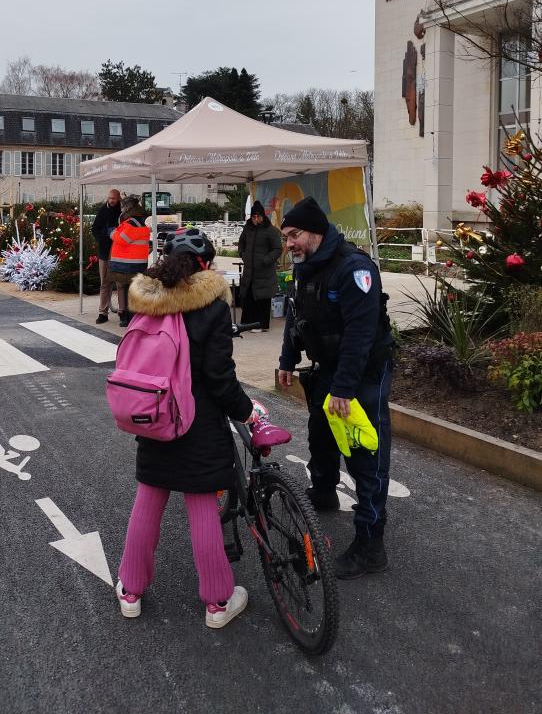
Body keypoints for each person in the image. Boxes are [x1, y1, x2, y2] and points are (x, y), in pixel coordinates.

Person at [116, 228, 254, 628]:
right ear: (204, 265)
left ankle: (131, 590)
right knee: (201, 508)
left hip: (154, 415)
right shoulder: (212, 307)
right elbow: (219, 377)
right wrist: (247, 412)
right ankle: (217, 603)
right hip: (200, 421)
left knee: (149, 499)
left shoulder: (147, 304)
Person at [277, 197, 393, 579]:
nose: (289, 243)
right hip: (329, 369)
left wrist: (344, 388)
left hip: (362, 376)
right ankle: (324, 492)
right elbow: (297, 315)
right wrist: (287, 360)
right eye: (286, 237)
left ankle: (369, 546)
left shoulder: (354, 268)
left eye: (294, 235)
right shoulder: (306, 267)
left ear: (315, 231)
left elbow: (361, 335)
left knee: (364, 454)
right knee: (321, 435)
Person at [237, 200, 282, 332]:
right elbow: (241, 243)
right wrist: (242, 254)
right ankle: (247, 323)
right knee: (248, 296)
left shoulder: (270, 230)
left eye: (258, 216)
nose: (256, 219)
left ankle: (261, 325)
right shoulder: (247, 228)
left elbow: (277, 249)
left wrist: (266, 260)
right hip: (249, 270)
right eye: (254, 216)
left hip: (264, 271)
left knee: (262, 298)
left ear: (263, 216)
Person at [108, 195, 150, 327]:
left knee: (125, 290)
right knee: (132, 290)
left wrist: (110, 232)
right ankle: (130, 316)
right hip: (136, 262)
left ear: (127, 207)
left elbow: (122, 238)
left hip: (127, 263)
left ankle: (127, 317)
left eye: (122, 206)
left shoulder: (132, 222)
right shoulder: (140, 220)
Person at [91, 189, 122, 324]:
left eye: (114, 198)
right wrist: (106, 236)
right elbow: (95, 229)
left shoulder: (123, 211)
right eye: (109, 198)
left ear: (118, 198)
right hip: (105, 251)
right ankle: (103, 312)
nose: (111, 200)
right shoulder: (103, 210)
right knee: (105, 283)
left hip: (120, 253)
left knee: (120, 283)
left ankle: (123, 311)